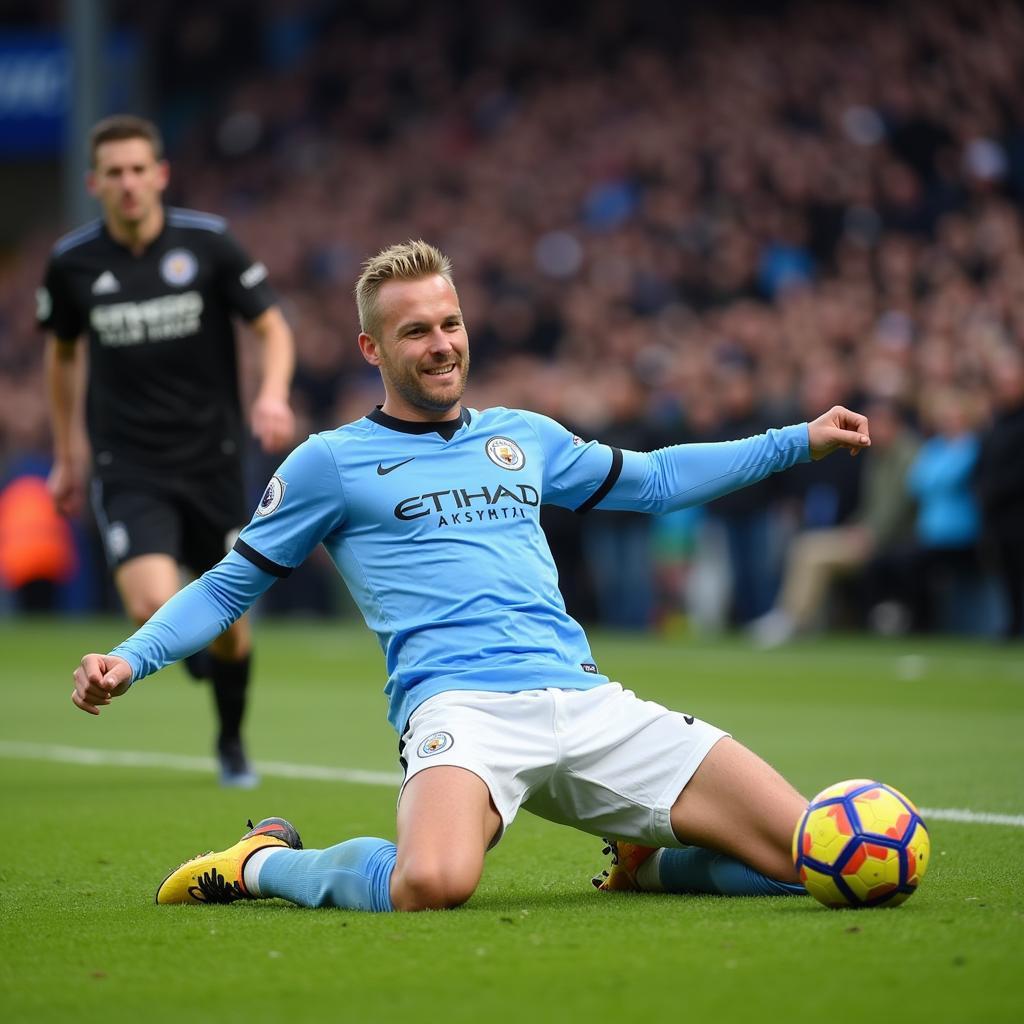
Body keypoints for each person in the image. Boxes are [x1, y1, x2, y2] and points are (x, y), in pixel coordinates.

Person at [69, 241, 870, 912]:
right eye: (415, 331)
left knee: (812, 855)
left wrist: (797, 439)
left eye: (451, 323)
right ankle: (258, 863)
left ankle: (649, 865)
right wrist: (131, 657)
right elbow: (227, 585)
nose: (442, 344)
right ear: (371, 349)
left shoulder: (523, 436)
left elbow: (656, 480)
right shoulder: (330, 464)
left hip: (587, 699)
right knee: (431, 882)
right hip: (461, 708)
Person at [41, 114, 296, 786]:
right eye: (114, 173)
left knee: (233, 630)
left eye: (137, 170)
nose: (127, 184)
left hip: (212, 459)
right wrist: (68, 452)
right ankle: (186, 641)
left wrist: (272, 395)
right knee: (147, 606)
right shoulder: (73, 263)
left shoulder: (208, 245)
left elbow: (272, 326)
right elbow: (62, 356)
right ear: (95, 183)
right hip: (127, 464)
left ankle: (232, 740)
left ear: (160, 175)